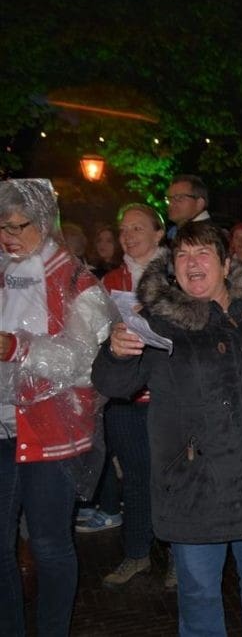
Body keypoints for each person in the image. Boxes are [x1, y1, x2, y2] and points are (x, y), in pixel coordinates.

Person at [92, 220, 242, 636]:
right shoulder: (159, 321)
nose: (191, 263)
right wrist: (116, 352)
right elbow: (113, 384)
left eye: (202, 253)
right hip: (195, 486)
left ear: (226, 264)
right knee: (198, 598)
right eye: (182, 255)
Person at [0, 179, 115, 636]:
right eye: (1, 226)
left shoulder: (77, 280)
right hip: (2, 428)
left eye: (18, 225)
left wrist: (16, 347)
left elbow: (82, 361)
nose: (8, 236)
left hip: (52, 430)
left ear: (45, 222)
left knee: (48, 543)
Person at [94, 203, 168, 588]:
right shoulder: (110, 281)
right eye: (124, 230)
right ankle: (137, 552)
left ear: (159, 234)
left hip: (168, 397)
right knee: (136, 478)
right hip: (126, 399)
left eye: (138, 228)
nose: (128, 236)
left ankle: (179, 555)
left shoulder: (178, 275)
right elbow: (93, 336)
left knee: (172, 477)